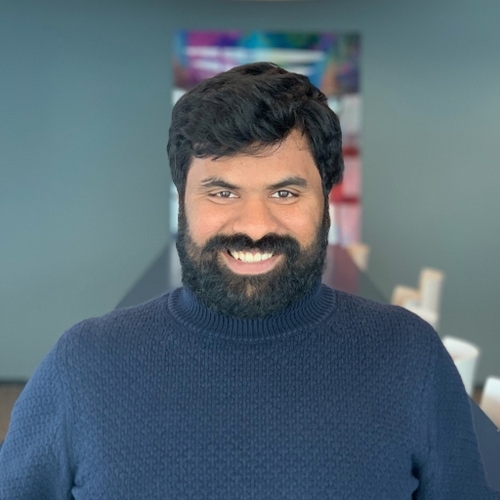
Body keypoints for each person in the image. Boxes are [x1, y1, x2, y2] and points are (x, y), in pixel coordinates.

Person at [0, 62, 498, 499]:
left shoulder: (408, 354)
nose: (255, 225)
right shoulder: (84, 363)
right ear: (182, 201)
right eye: (221, 192)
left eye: (284, 193)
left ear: (326, 203)